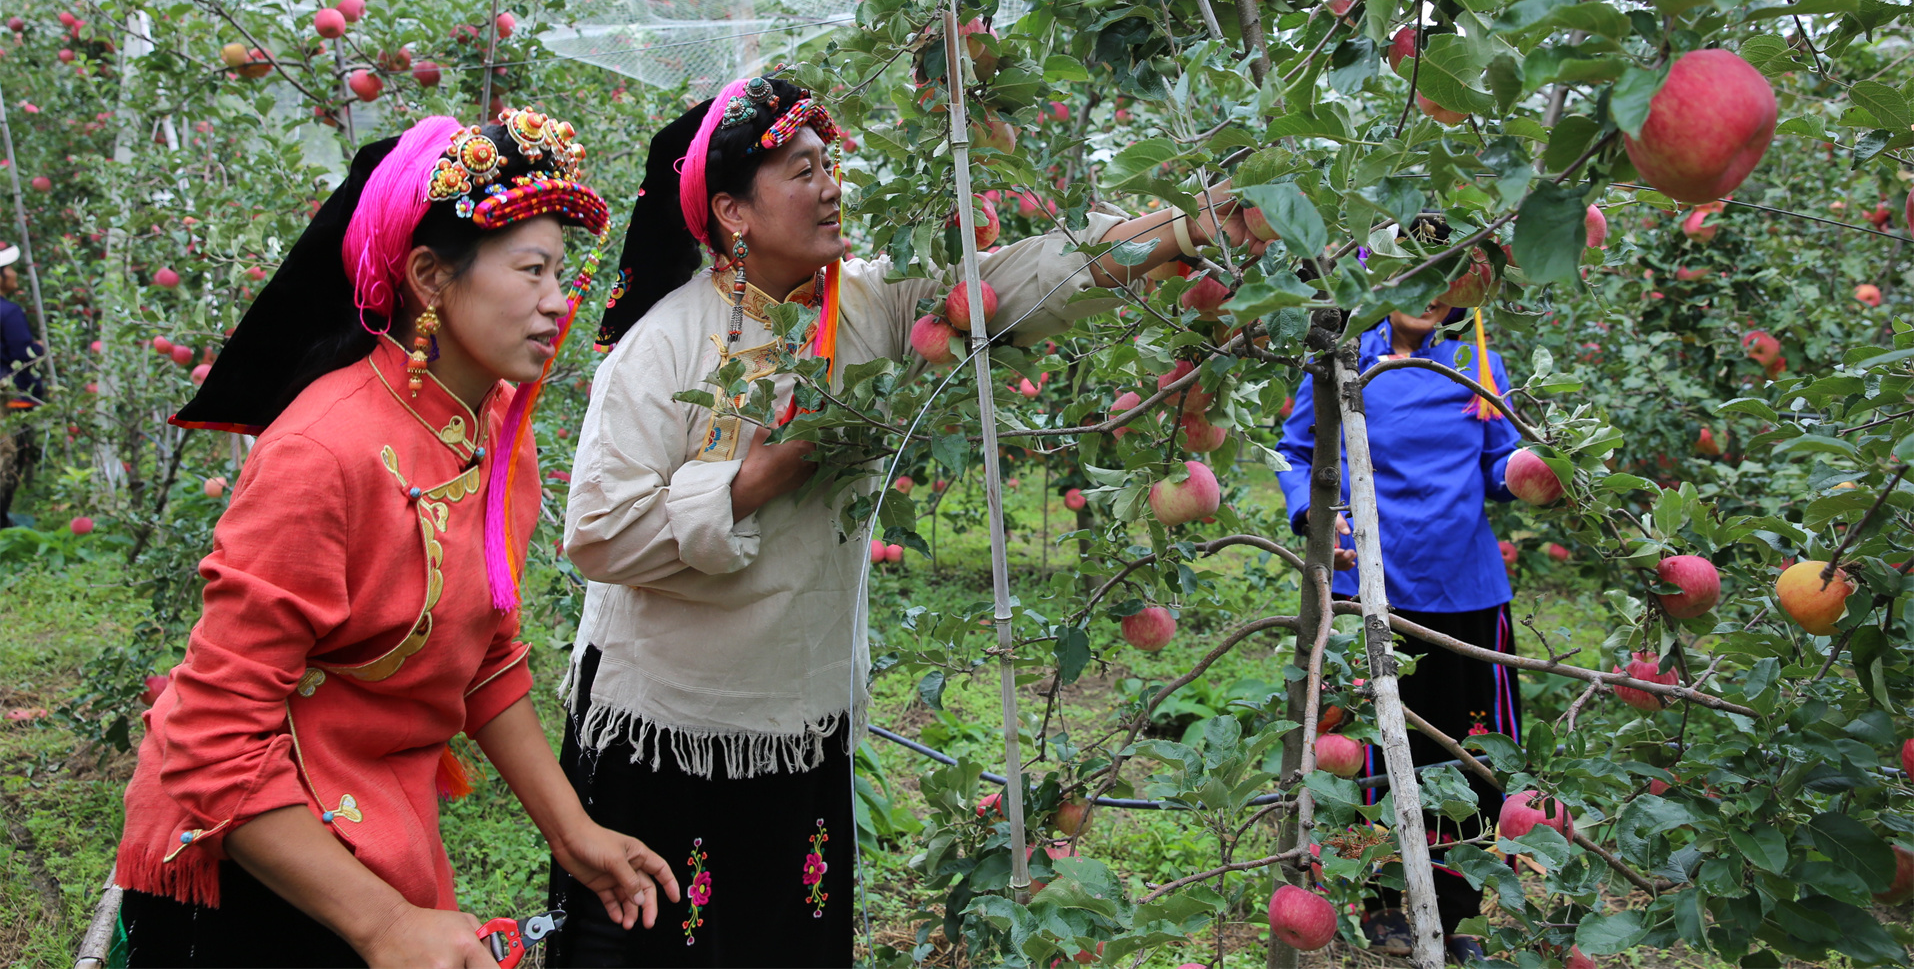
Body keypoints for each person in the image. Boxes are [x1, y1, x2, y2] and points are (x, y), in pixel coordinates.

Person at [547, 74, 1264, 967]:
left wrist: (1184, 229)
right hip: (667, 727)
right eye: (802, 171)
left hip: (802, 714)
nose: (831, 187)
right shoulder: (664, 344)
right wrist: (756, 479)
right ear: (732, 212)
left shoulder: (871, 306)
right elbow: (598, 534)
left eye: (829, 164)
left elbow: (1019, 280)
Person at [113, 111, 679, 969]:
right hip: (254, 861)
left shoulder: (494, 425)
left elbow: (485, 655)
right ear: (428, 277)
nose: (557, 302)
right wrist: (383, 924)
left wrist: (575, 833)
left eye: (560, 273)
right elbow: (212, 739)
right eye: (531, 270)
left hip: (376, 832)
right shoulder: (321, 453)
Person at [1276, 276, 1521, 963]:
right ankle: (1383, 900)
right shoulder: (1344, 357)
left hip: (1467, 587)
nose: (1428, 294)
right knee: (1375, 748)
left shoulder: (1476, 360)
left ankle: (1456, 908)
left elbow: (1498, 464)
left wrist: (1533, 469)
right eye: (1412, 276)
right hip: (1375, 584)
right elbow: (1298, 452)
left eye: (1443, 281)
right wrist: (1314, 513)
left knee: (1472, 755)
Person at [0, 241, 45, 525]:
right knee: (8, 460)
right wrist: (38, 349)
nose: (14, 273)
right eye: (9, 268)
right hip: (9, 399)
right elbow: (22, 356)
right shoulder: (9, 312)